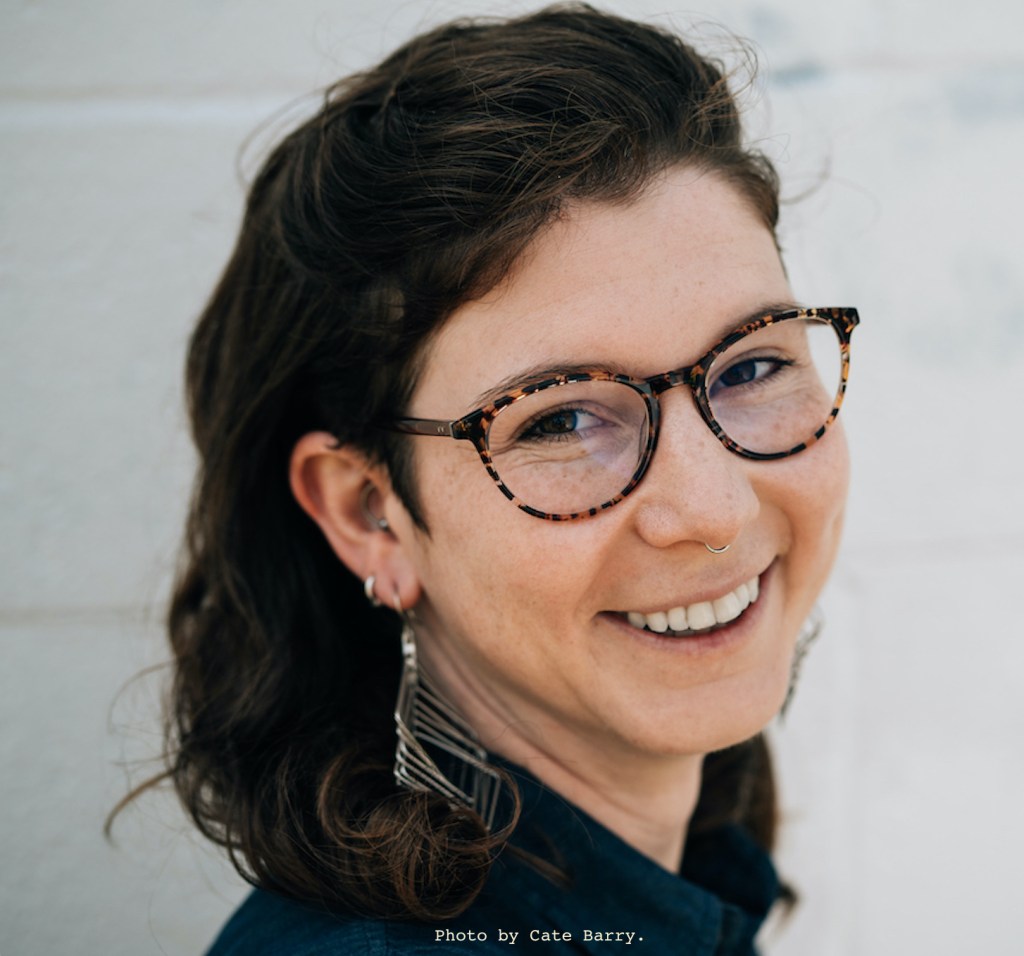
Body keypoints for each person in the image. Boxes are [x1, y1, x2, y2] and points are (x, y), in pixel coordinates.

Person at [144, 4, 859, 952]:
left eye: (753, 367)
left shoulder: (682, 891)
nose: (714, 508)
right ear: (373, 516)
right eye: (561, 419)